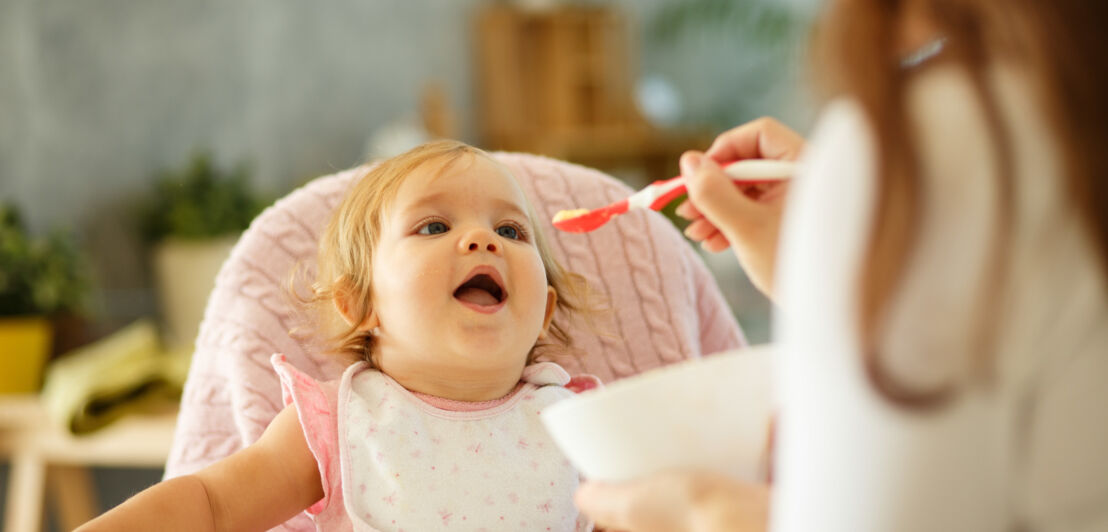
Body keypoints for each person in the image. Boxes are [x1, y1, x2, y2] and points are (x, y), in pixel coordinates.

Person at [575, 0, 1108, 531]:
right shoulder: (1024, 130)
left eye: (511, 230)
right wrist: (838, 283)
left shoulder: (929, 151)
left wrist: (709, 514)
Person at [78, 140, 600, 531]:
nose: (483, 239)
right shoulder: (340, 424)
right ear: (363, 303)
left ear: (546, 311)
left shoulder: (580, 427)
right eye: (434, 226)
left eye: (510, 231)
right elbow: (212, 506)